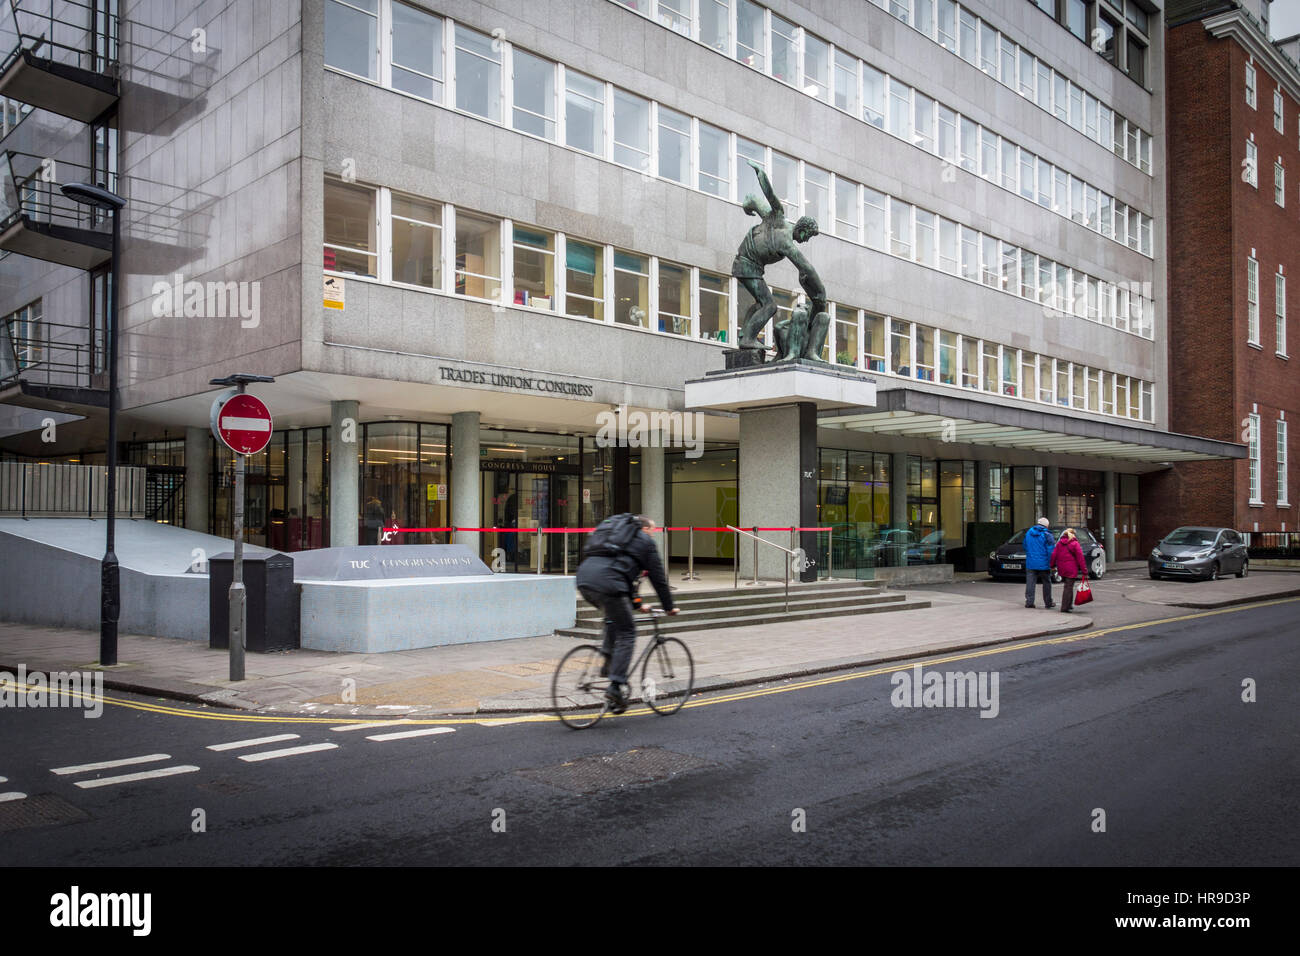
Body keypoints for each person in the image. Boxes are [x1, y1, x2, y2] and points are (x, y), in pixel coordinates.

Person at [575, 515, 679, 713]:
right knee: (628, 632)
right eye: (652, 530)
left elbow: (623, 572)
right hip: (609, 583)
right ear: (645, 529)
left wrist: (637, 603)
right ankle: (615, 685)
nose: (653, 534)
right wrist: (669, 606)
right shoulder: (645, 542)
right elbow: (658, 579)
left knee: (613, 617)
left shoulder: (617, 537)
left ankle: (608, 661)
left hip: (584, 580)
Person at [731, 158, 828, 355]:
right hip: (747, 265)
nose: (806, 241)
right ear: (802, 230)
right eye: (807, 237)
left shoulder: (774, 221)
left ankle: (744, 336)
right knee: (770, 306)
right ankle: (749, 338)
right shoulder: (784, 234)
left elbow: (758, 203)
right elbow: (805, 266)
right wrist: (761, 175)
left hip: (747, 265)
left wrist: (748, 204)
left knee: (760, 301)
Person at [1050, 528, 1088, 613]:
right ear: (1073, 534)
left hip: (1062, 569)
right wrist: (1084, 570)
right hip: (1071, 569)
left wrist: (1052, 565)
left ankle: (1069, 605)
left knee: (1068, 586)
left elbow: (1054, 554)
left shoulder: (1059, 543)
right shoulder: (1075, 544)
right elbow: (1080, 558)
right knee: (1068, 587)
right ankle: (1065, 607)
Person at [1024, 517, 1056, 609]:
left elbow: (1025, 545)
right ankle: (1048, 602)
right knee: (1046, 582)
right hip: (1044, 563)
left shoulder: (1029, 532)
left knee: (1030, 583)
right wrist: (1052, 564)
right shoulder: (1047, 534)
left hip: (1031, 562)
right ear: (1046, 525)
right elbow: (1051, 551)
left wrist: (1031, 554)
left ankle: (1029, 602)